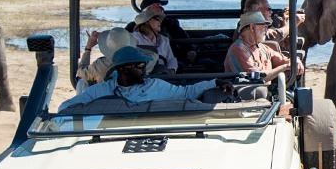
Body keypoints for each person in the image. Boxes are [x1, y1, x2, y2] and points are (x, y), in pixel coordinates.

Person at [59, 46, 234, 112]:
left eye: (144, 65)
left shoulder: (155, 86)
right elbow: (65, 107)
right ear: (124, 69)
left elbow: (187, 92)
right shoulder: (100, 90)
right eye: (140, 66)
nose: (144, 70)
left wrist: (215, 82)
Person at [224, 11, 303, 81]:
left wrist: (295, 60)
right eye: (264, 26)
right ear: (252, 27)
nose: (266, 30)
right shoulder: (238, 49)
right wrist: (285, 67)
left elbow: (282, 59)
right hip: (244, 95)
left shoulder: (262, 48)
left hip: (262, 93)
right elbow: (257, 79)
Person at [131, 8, 178, 74]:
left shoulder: (164, 40)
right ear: (147, 22)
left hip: (163, 75)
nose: (160, 22)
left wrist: (171, 70)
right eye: (157, 18)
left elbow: (171, 59)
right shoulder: (133, 38)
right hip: (142, 75)